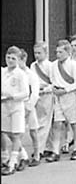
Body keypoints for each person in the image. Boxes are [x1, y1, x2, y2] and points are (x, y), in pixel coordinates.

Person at [46, 40, 76, 162]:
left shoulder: (73, 65)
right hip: (58, 96)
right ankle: (55, 151)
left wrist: (65, 90)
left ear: (68, 52)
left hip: (70, 96)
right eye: (57, 52)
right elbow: (52, 80)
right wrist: (53, 89)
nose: (58, 54)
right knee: (57, 124)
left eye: (61, 52)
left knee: (73, 123)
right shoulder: (53, 65)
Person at [1, 46, 29, 176]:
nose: (10, 60)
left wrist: (13, 97)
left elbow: (26, 93)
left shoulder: (20, 74)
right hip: (4, 106)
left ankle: (12, 164)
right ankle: (23, 156)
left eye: (13, 58)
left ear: (18, 60)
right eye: (8, 57)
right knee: (7, 133)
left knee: (16, 134)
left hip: (16, 107)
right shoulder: (3, 72)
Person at [29, 42, 53, 162]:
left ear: (46, 53)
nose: (37, 55)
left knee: (45, 122)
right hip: (37, 95)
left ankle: (39, 149)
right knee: (39, 121)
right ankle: (46, 146)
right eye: (35, 53)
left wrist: (47, 89)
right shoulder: (33, 66)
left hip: (47, 95)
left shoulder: (50, 66)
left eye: (39, 53)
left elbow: (54, 82)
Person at [17, 49, 40, 170]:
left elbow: (35, 93)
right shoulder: (13, 73)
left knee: (33, 131)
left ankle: (36, 155)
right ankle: (21, 157)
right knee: (16, 134)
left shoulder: (31, 75)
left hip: (28, 105)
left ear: (23, 60)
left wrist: (29, 108)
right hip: (16, 106)